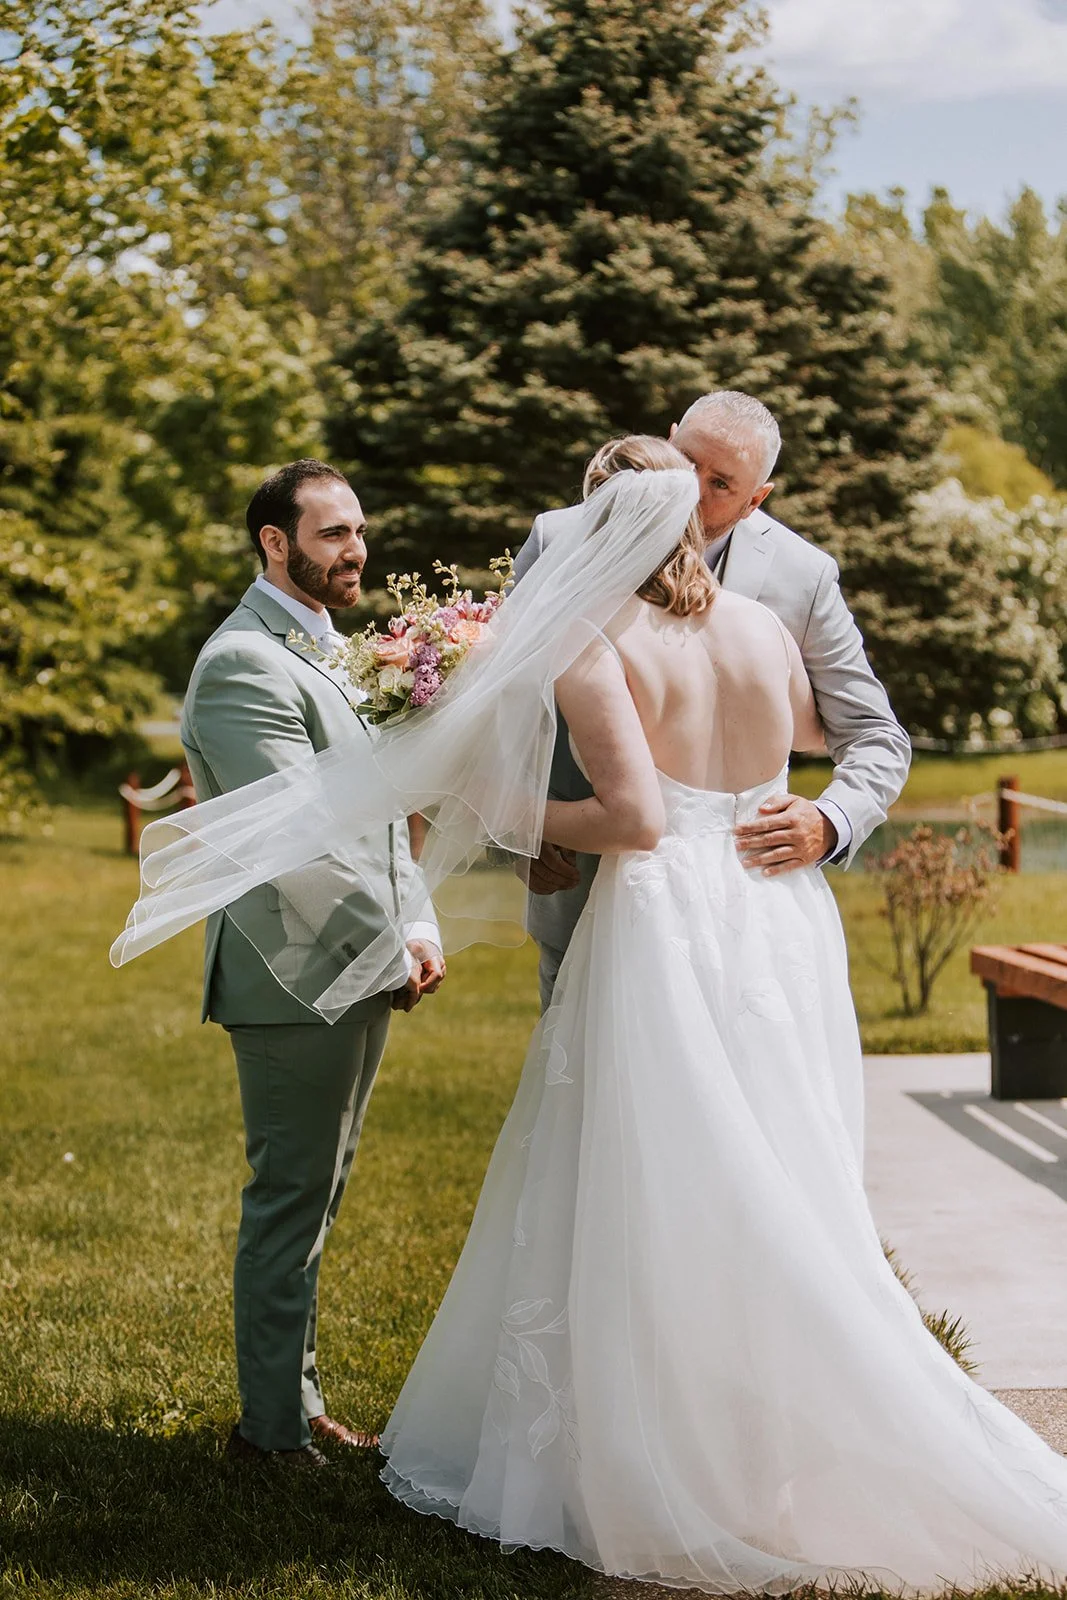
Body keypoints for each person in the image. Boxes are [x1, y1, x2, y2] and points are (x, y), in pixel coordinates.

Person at [115, 445, 1067, 1586]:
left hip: (665, 916)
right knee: (773, 1169)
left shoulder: (599, 638)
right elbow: (807, 740)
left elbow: (634, 815)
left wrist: (496, 804)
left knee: (644, 1173)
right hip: (772, 921)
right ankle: (763, 1442)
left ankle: (651, 1448)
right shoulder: (764, 629)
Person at [179, 459, 445, 1469]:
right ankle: (268, 1434)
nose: (355, 551)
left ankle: (294, 1401)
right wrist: (385, 949)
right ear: (273, 543)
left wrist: (416, 929)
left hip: (360, 959)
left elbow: (378, 818)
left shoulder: (327, 651)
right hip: (293, 969)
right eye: (331, 533)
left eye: (358, 531)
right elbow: (296, 844)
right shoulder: (245, 663)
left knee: (317, 1194)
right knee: (290, 1196)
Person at [515, 391, 911, 1011]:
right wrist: (525, 832)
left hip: (741, 906)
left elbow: (876, 735)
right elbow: (513, 707)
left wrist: (829, 820)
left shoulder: (801, 578)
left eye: (720, 483)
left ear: (758, 499)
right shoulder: (559, 537)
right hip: (579, 884)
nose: (689, 489)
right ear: (669, 433)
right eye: (685, 459)